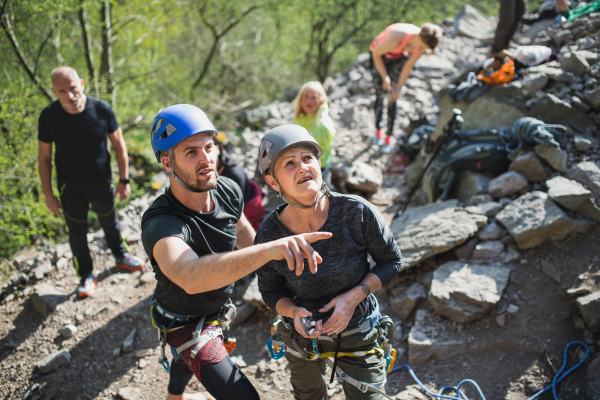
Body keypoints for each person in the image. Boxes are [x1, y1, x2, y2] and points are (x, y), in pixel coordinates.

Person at [141, 105, 332, 400]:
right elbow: (190, 276)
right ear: (167, 163)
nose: (206, 158)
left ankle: (173, 397)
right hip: (181, 321)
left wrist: (288, 281)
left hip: (217, 309)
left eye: (209, 146)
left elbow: (245, 237)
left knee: (182, 361)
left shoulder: (227, 189)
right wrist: (272, 249)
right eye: (191, 152)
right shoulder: (162, 223)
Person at [254, 124, 403, 400]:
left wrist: (352, 298)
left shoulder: (356, 212)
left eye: (308, 158)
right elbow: (271, 291)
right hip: (301, 336)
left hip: (359, 328)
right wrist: (293, 312)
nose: (302, 167)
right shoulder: (269, 235)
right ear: (273, 182)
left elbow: (391, 262)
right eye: (289, 163)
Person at [38, 66, 144, 298]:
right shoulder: (49, 116)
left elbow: (119, 145)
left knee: (110, 221)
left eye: (73, 88)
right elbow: (44, 158)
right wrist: (48, 194)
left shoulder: (101, 109)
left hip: (101, 182)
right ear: (55, 92)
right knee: (77, 233)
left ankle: (121, 256)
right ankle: (86, 275)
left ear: (82, 84)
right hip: (69, 188)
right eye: (63, 91)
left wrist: (124, 180)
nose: (70, 95)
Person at [370, 23, 442, 154]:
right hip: (379, 56)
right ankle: (378, 130)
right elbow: (376, 54)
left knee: (393, 98)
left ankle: (388, 136)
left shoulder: (421, 46)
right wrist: (385, 77)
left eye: (424, 48)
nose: (420, 49)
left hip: (398, 57)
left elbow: (407, 67)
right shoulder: (398, 36)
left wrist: (397, 89)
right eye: (420, 46)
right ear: (418, 36)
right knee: (380, 95)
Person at [213, 134, 266, 230]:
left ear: (218, 149)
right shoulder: (213, 171)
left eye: (208, 148)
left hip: (246, 218)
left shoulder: (233, 174)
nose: (204, 157)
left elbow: (233, 211)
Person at [292, 82, 337, 168]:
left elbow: (324, 154)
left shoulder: (323, 124)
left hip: (319, 170)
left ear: (321, 100)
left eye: (314, 97)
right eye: (306, 96)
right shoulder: (300, 118)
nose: (309, 101)